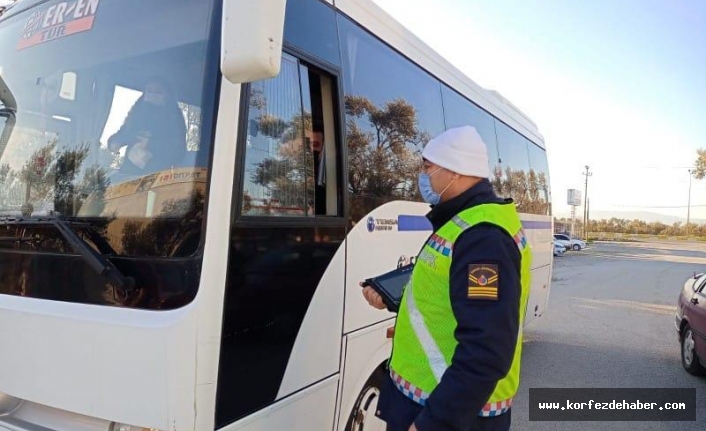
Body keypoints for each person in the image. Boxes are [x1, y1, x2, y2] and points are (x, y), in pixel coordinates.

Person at [361, 126, 532, 431]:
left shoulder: (483, 239)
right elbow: (445, 295)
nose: (422, 177)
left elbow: (486, 351)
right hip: (425, 403)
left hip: (447, 415)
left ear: (455, 171)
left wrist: (434, 424)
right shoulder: (462, 223)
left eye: (427, 168)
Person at [107, 77, 187, 178]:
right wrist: (114, 142)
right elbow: (124, 133)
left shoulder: (174, 117)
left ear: (167, 95)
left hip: (158, 179)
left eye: (158, 91)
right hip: (129, 176)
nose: (153, 94)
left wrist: (151, 144)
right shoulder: (137, 113)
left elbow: (179, 152)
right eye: (149, 91)